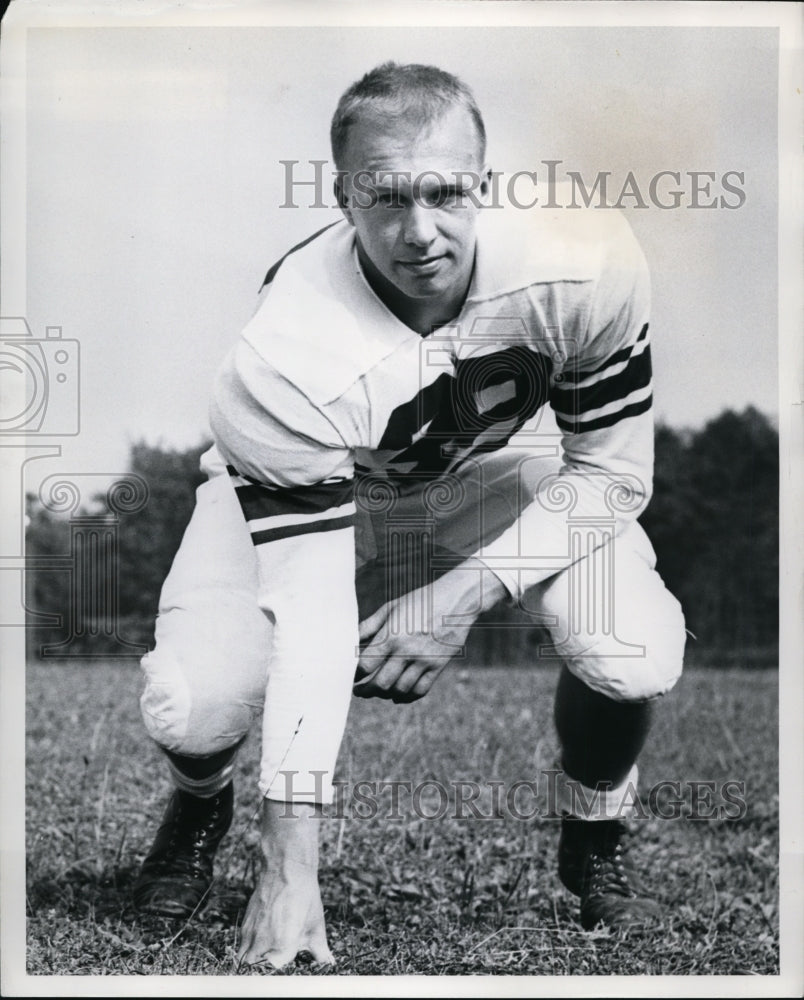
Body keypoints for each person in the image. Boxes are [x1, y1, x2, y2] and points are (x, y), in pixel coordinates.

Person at [132, 62, 686, 967]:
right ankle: (201, 803)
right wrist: (290, 869)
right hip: (321, 496)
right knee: (192, 708)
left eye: (444, 193)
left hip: (489, 474)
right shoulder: (282, 352)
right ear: (341, 195)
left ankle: (595, 832)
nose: (418, 232)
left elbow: (612, 476)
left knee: (632, 650)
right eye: (385, 198)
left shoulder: (583, 263)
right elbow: (310, 608)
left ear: (486, 184)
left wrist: (458, 598)